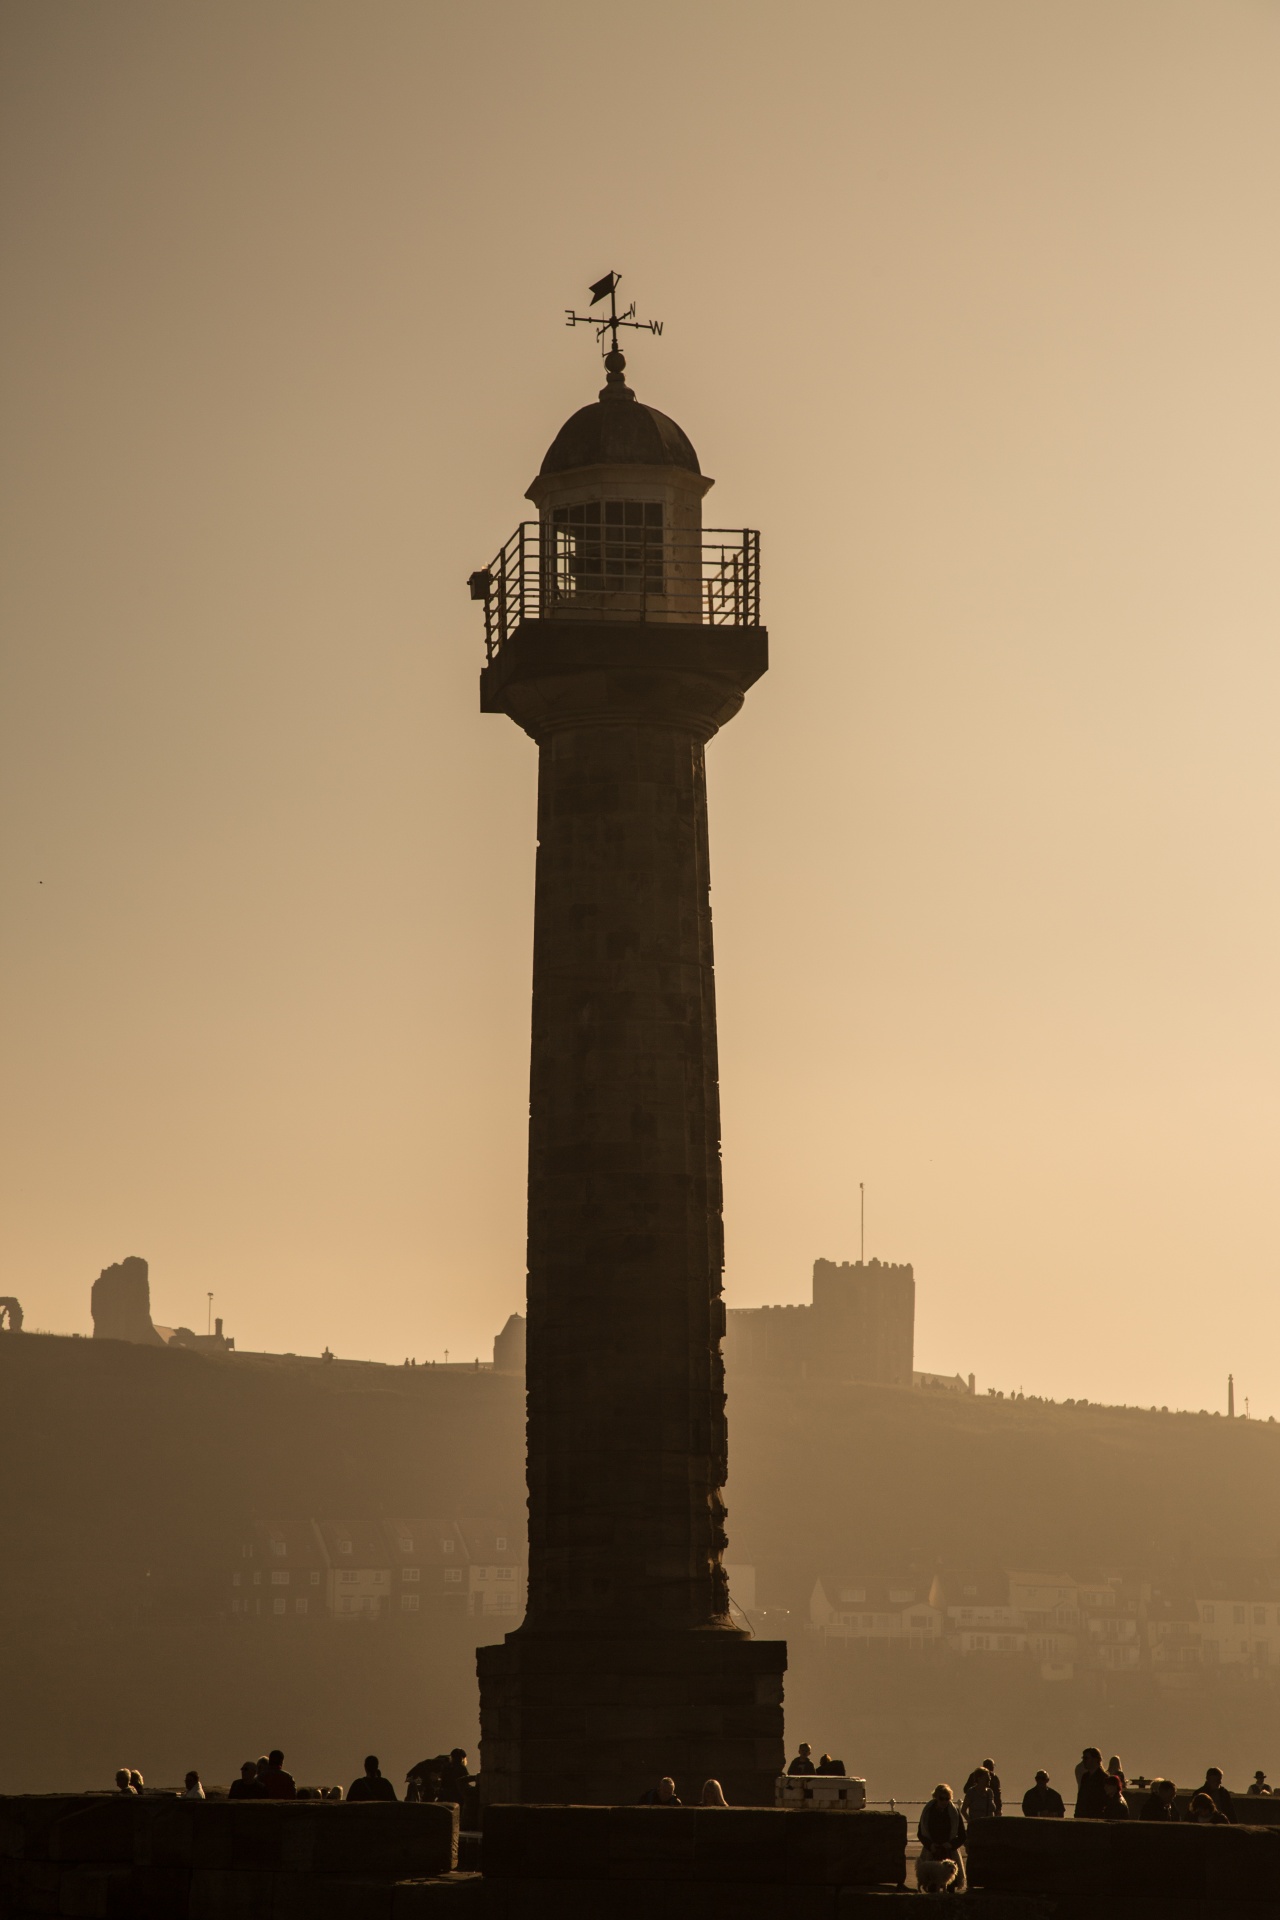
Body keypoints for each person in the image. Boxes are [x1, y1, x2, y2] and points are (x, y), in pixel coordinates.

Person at [917, 1784, 966, 1891]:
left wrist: (951, 1844)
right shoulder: (928, 1812)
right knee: (932, 1885)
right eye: (941, 1798)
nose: (944, 1801)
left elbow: (962, 1835)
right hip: (933, 1851)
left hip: (949, 1852)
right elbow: (920, 1833)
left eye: (947, 1799)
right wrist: (930, 1845)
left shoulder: (954, 1812)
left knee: (950, 1885)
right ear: (936, 1797)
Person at [1074, 1748, 1109, 1820]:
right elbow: (1081, 1796)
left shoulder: (1103, 1778)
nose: (1084, 1761)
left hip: (1096, 1817)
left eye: (1086, 1758)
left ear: (1095, 1759)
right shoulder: (1085, 1777)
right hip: (1083, 1816)